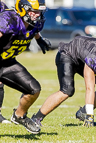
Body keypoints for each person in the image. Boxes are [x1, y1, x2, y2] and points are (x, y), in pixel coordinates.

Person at [31, 36, 96, 127]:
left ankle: (83, 112)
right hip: (68, 54)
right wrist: (90, 116)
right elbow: (89, 88)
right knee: (67, 90)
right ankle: (36, 118)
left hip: (83, 58)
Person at [0, 0, 51, 134]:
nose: (37, 15)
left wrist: (39, 40)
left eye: (39, 11)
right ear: (23, 9)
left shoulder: (36, 23)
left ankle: (19, 116)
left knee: (34, 89)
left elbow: (34, 30)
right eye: (33, 11)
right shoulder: (9, 19)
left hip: (7, 63)